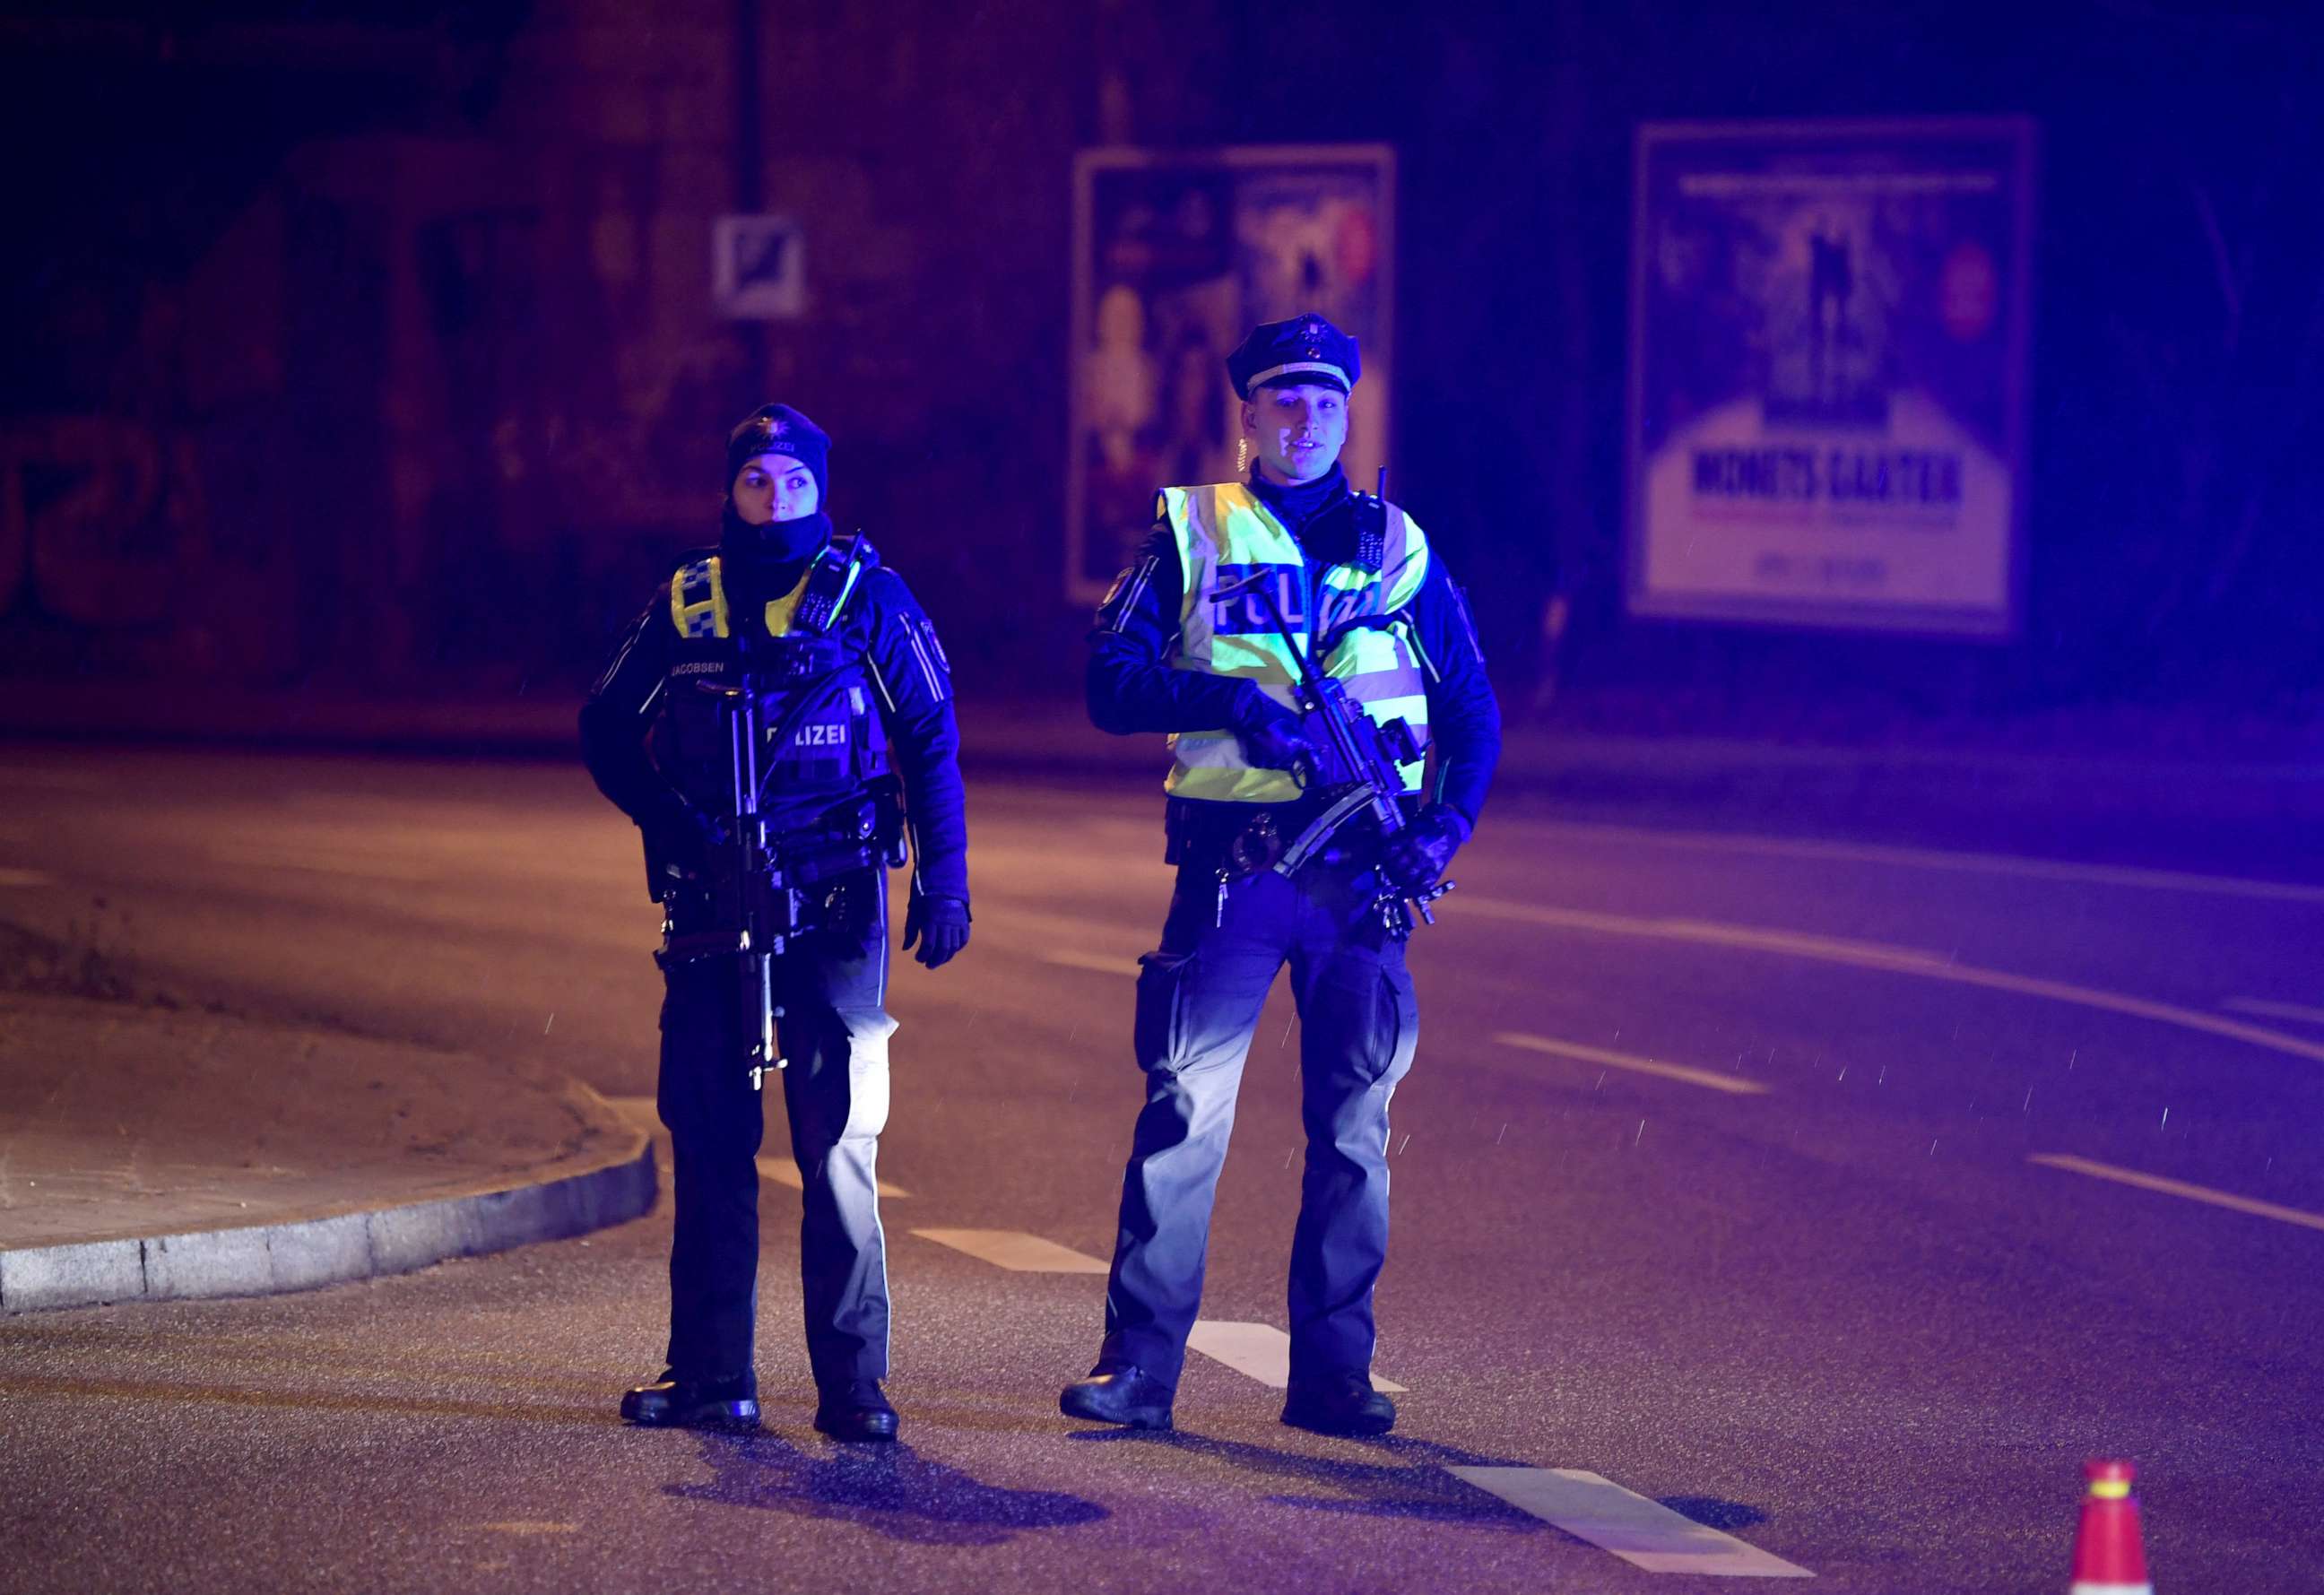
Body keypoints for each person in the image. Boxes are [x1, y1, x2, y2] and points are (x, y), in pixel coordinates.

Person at [1062, 315, 1502, 1436]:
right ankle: (1141, 1371)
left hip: (1362, 879)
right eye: (1284, 403)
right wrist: (1232, 703)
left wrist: (1442, 831)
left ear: (1350, 416)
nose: (1306, 422)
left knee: (1355, 1128)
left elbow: (1469, 712)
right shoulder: (1193, 528)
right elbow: (1111, 682)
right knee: (1184, 1115)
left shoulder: (1400, 546)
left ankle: (1334, 1380)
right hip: (1233, 874)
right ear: (1247, 418)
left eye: (1326, 403)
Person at [581, 403, 971, 1443]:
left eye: (794, 483)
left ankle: (853, 1388)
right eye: (758, 481)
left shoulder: (868, 598)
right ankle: (715, 1379)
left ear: (821, 490)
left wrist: (947, 880)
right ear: (731, 489)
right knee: (710, 1139)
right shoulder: (686, 600)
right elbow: (605, 723)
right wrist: (672, 818)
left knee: (838, 1140)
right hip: (713, 899)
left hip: (836, 895)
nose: (776, 500)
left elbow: (929, 736)